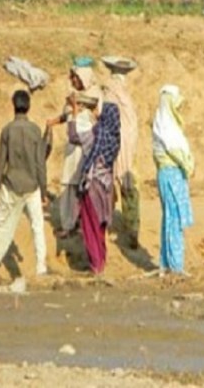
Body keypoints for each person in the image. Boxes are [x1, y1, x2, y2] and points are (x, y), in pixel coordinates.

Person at [0, 91, 48, 276]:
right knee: (37, 226)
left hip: (11, 185)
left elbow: (0, 164)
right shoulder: (35, 131)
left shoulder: (7, 130)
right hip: (32, 187)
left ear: (13, 105)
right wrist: (44, 191)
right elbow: (40, 164)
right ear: (29, 106)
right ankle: (41, 267)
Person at [67, 87, 121, 275]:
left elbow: (74, 136)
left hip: (93, 186)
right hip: (106, 187)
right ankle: (101, 261)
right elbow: (103, 128)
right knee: (100, 226)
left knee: (90, 224)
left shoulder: (95, 136)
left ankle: (96, 265)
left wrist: (74, 113)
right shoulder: (114, 137)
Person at [47, 59, 97, 238]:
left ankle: (82, 223)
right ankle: (69, 224)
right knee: (69, 187)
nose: (72, 80)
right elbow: (68, 117)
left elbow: (96, 120)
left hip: (86, 148)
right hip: (72, 148)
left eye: (75, 77)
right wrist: (55, 121)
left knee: (84, 187)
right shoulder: (73, 97)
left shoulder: (94, 96)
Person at [153, 85, 195, 275]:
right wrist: (188, 165)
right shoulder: (165, 125)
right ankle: (175, 266)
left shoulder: (167, 123)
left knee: (172, 218)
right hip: (171, 173)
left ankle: (168, 263)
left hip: (174, 173)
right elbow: (174, 150)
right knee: (174, 219)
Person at [101, 56, 141, 249]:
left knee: (110, 183)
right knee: (126, 185)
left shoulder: (110, 92)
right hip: (125, 145)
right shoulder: (122, 94)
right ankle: (131, 228)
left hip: (114, 144)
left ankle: (108, 224)